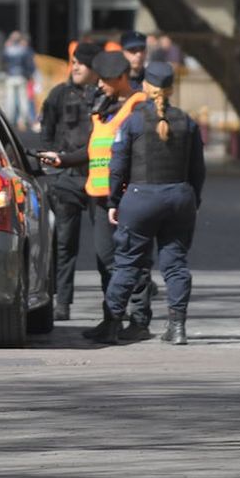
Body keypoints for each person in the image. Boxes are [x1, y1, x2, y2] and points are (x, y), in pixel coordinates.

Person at [38, 50, 153, 341]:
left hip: (127, 196)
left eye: (105, 79)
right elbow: (93, 149)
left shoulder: (139, 107)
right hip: (101, 195)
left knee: (132, 258)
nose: (99, 84)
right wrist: (62, 160)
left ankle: (139, 320)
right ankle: (111, 318)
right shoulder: (106, 106)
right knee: (106, 259)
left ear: (121, 78)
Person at [101, 62, 205, 344]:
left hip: (140, 199)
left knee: (128, 263)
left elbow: (117, 167)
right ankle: (178, 327)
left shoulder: (132, 122)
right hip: (180, 198)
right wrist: (193, 200)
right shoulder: (188, 122)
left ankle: (111, 326)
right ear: (171, 89)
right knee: (176, 264)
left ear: (146, 86)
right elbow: (198, 169)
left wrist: (114, 200)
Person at [39, 42, 101, 320]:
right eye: (73, 62)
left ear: (94, 68)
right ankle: (62, 303)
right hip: (67, 179)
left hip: (99, 177)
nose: (74, 67)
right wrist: (51, 163)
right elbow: (46, 130)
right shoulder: (59, 94)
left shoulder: (105, 96)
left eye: (81, 63)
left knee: (106, 247)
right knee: (64, 244)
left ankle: (114, 306)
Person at [1, 30, 36, 131]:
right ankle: (21, 120)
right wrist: (29, 75)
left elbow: (3, 61)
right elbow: (29, 63)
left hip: (11, 76)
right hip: (21, 76)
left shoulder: (8, 49)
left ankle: (10, 120)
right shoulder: (23, 49)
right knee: (22, 100)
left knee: (10, 99)